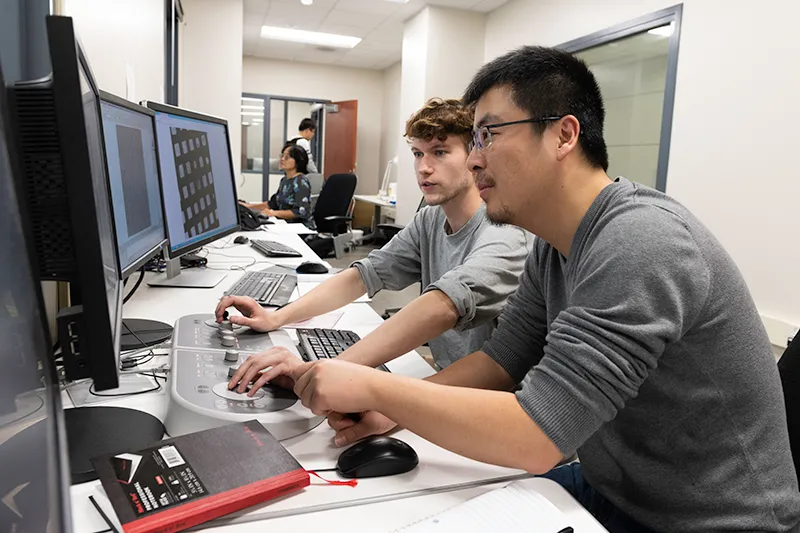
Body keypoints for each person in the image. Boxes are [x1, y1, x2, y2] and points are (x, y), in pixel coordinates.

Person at [250, 47, 800, 532]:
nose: (474, 156)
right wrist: (393, 417)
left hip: (705, 521)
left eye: (488, 133)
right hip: (615, 491)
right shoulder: (552, 244)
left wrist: (374, 389)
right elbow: (500, 361)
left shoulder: (640, 240)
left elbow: (540, 437)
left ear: (563, 134)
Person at [219, 97, 531, 403]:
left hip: (496, 404)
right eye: (417, 154)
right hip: (446, 380)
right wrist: (276, 318)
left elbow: (444, 305)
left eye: (439, 152)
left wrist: (320, 370)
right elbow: (363, 276)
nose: (424, 168)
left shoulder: (504, 232)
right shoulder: (430, 220)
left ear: (474, 155)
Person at [240, 144, 312, 223]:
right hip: (283, 224)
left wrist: (273, 213)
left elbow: (301, 211)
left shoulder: (301, 182)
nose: (282, 159)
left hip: (298, 229)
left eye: (287, 157)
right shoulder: (284, 180)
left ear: (298, 161)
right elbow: (273, 204)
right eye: (282, 156)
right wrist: (248, 206)